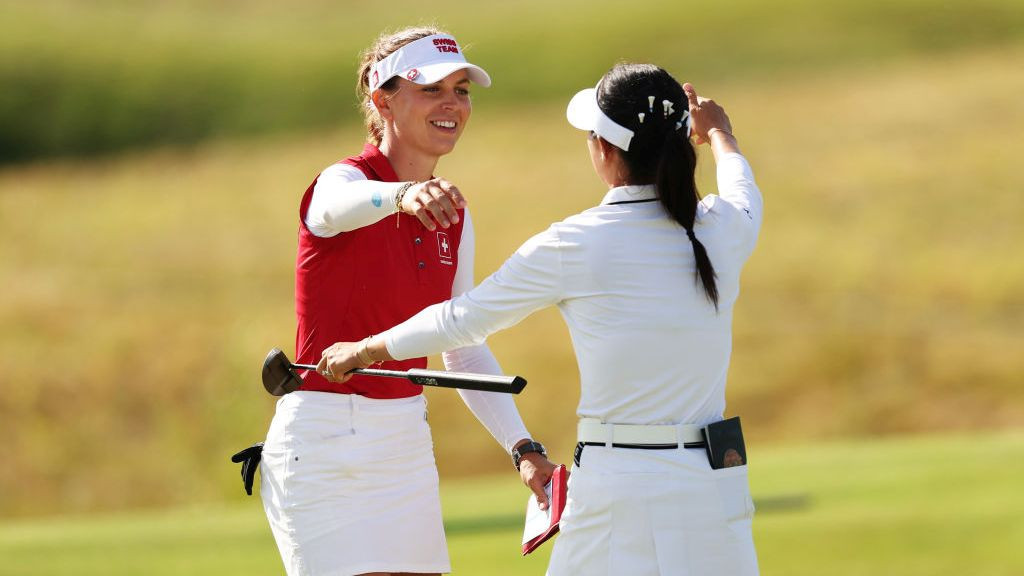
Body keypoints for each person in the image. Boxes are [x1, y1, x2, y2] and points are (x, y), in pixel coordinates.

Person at [318, 63, 763, 575]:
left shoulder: (575, 242)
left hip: (617, 484)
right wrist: (722, 134)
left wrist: (367, 349)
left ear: (604, 149)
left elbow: (463, 320)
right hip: (713, 484)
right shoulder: (725, 227)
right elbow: (741, 188)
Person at [259, 26, 555, 576]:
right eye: (431, 90)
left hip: (405, 443)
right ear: (382, 100)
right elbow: (333, 208)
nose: (452, 105)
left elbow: (461, 346)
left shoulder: (453, 213)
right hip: (324, 443)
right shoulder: (345, 180)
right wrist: (399, 195)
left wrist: (522, 448)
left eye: (461, 90)